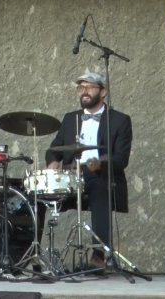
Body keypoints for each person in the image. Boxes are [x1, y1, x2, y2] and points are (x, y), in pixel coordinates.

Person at [45, 70, 132, 269]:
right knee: (34, 192)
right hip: (70, 175)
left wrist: (100, 164)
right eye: (81, 87)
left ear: (103, 92)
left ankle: (98, 255)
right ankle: (31, 253)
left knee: (100, 188)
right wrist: (52, 163)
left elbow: (121, 159)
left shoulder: (119, 120)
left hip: (100, 174)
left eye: (89, 87)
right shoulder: (70, 119)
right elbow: (54, 148)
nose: (84, 91)